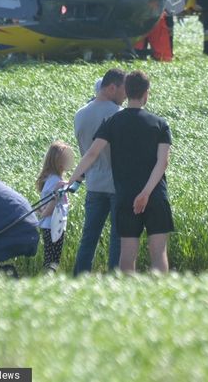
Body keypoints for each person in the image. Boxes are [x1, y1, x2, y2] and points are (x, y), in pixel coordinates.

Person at [70, 71, 174, 274]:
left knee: (127, 254)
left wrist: (72, 180)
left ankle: (125, 298)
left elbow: (91, 154)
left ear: (126, 91)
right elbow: (163, 162)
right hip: (155, 195)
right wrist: (145, 193)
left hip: (126, 196)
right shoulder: (160, 124)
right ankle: (163, 298)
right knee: (158, 252)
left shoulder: (113, 122)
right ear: (146, 93)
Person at [72, 69, 126, 275]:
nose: (125, 95)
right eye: (123, 90)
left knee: (89, 236)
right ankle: (113, 279)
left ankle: (79, 277)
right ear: (112, 88)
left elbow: (85, 153)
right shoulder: (119, 115)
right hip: (117, 184)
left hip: (93, 183)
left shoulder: (80, 114)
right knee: (117, 238)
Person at [35, 141, 74, 273]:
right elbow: (50, 206)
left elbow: (43, 203)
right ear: (58, 161)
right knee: (53, 260)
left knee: (49, 258)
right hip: (53, 225)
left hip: (49, 225)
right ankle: (47, 281)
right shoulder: (56, 181)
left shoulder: (51, 179)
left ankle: (47, 279)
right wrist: (44, 212)